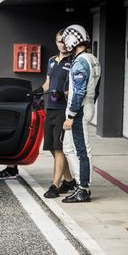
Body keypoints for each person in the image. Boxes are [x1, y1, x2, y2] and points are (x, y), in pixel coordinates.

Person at [61, 24, 101, 203]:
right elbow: (96, 88)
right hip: (88, 105)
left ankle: (83, 188)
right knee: (68, 148)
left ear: (72, 40)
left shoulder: (80, 61)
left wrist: (71, 115)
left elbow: (79, 92)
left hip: (79, 110)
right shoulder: (93, 59)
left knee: (81, 151)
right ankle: (80, 184)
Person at [34, 29, 76, 198]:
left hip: (63, 111)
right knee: (52, 147)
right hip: (49, 108)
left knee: (59, 148)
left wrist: (63, 94)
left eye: (65, 41)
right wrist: (37, 90)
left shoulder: (74, 61)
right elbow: (48, 83)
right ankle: (69, 180)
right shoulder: (52, 61)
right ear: (56, 42)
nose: (62, 45)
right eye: (59, 41)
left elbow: (76, 88)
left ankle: (54, 185)